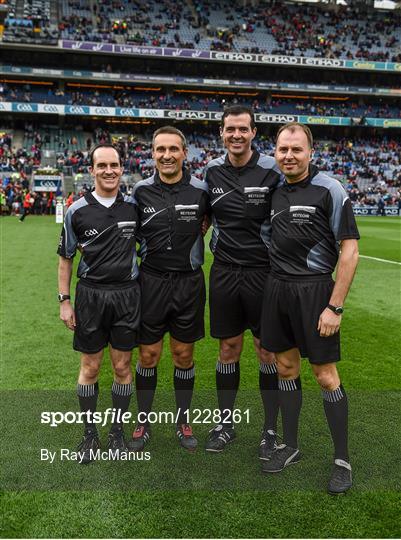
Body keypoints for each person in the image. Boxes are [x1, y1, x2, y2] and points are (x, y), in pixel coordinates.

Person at [260, 122, 359, 495]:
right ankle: (290, 446)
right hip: (277, 289)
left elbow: (349, 251)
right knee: (285, 367)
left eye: (296, 150)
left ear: (310, 152)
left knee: (324, 376)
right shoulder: (273, 190)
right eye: (283, 150)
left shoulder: (330, 189)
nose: (288, 156)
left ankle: (342, 459)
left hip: (315, 291)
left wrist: (335, 306)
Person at [203, 105, 281, 456]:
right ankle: (225, 424)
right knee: (228, 349)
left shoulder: (272, 169)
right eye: (230, 129)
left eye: (243, 129)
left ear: (253, 133)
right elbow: (202, 216)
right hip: (223, 272)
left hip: (263, 273)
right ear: (221, 133)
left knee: (267, 351)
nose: (236, 135)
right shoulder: (211, 171)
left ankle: (269, 429)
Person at [57, 143, 140, 464]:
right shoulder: (76, 210)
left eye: (114, 165)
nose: (109, 170)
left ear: (122, 168)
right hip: (90, 296)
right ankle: (90, 434)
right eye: (102, 165)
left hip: (127, 295)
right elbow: (65, 259)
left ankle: (117, 432)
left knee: (122, 367)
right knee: (90, 368)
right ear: (91, 170)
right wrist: (65, 301)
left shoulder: (133, 207)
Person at [129, 126, 209, 452]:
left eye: (173, 149)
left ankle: (183, 420)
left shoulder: (202, 191)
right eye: (160, 149)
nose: (167, 155)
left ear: (184, 153)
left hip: (189, 283)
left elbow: (219, 220)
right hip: (150, 282)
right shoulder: (139, 192)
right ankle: (143, 422)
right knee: (148, 355)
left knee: (183, 355)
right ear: (152, 153)